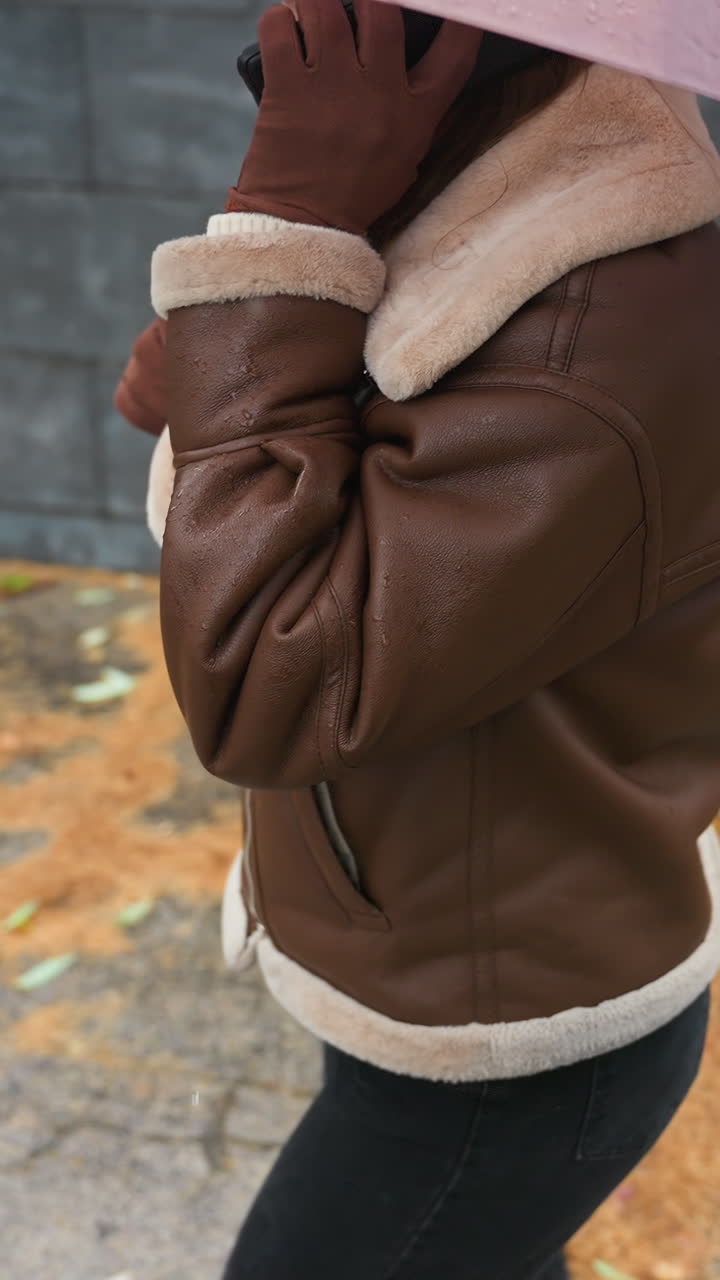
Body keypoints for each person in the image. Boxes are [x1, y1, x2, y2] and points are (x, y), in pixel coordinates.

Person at [115, 2, 720, 1275]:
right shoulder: (494, 164)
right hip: (445, 954)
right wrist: (246, 323)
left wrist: (285, 230)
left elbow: (269, 680)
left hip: (499, 1052)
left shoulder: (591, 322)